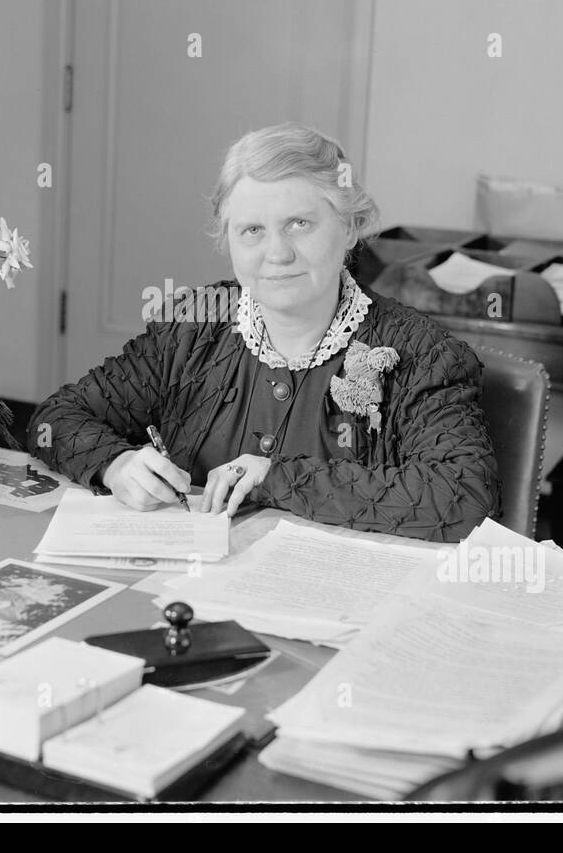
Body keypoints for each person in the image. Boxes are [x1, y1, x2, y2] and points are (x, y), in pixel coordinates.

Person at [27, 123, 499, 542]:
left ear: (350, 228)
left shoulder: (421, 353)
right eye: (251, 230)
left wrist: (274, 478)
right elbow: (54, 420)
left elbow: (465, 499)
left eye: (299, 224)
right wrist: (115, 464)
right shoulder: (194, 325)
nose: (277, 253)